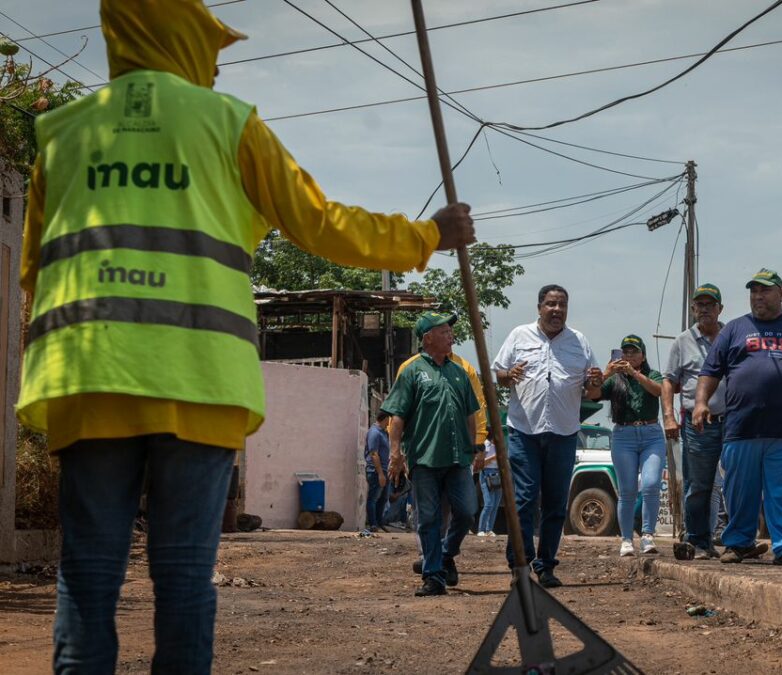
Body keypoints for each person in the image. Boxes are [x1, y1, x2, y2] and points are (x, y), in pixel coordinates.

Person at [16, 2, 475, 671]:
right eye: (210, 45)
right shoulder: (228, 124)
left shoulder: (62, 131)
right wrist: (427, 235)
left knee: (87, 573)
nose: (217, 64)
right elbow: (320, 223)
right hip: (197, 383)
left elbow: (34, 269)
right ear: (181, 36)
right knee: (182, 574)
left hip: (90, 383)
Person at [694, 269, 782, 567]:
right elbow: (710, 371)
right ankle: (738, 543)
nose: (758, 296)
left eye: (765, 290)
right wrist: (700, 403)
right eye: (753, 291)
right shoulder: (734, 330)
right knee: (739, 491)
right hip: (742, 428)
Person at [492, 284, 603, 588]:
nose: (557, 310)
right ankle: (520, 565)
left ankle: (546, 565)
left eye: (562, 305)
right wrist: (509, 375)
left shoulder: (579, 342)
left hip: (563, 433)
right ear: (539, 307)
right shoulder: (519, 335)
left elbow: (593, 392)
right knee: (524, 499)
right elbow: (499, 375)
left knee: (555, 503)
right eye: (551, 304)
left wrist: (596, 382)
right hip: (524, 431)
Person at [384, 312, 481, 596]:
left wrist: (474, 447)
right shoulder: (412, 371)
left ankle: (446, 554)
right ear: (427, 338)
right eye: (444, 331)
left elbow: (470, 414)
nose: (451, 336)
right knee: (428, 518)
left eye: (451, 331)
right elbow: (398, 416)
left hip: (458, 458)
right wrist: (395, 453)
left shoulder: (459, 372)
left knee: (467, 511)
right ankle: (433, 576)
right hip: (424, 458)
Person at [661, 283, 728, 559]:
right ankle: (699, 542)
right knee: (698, 486)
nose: (705, 309)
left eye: (710, 305)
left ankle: (737, 540)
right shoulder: (682, 341)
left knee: (738, 481)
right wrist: (668, 416)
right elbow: (668, 381)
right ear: (692, 309)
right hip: (698, 424)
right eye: (700, 305)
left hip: (733, 420)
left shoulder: (731, 336)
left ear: (720, 309)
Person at [594, 335, 665, 557]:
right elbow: (592, 394)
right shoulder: (614, 380)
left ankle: (647, 535)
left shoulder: (652, 374)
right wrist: (606, 373)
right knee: (627, 491)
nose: (629, 355)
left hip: (651, 434)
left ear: (643, 356)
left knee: (651, 484)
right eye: (625, 351)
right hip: (623, 435)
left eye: (634, 351)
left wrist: (634, 373)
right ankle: (626, 539)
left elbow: (658, 390)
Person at [364, 411, 391, 532]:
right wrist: (380, 473)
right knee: (373, 498)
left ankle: (380, 522)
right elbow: (374, 454)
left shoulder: (384, 433)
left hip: (385, 469)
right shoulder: (374, 432)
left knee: (383, 498)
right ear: (385, 418)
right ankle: (373, 524)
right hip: (375, 470)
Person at [476, 439, 502, 537]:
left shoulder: (500, 445)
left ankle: (489, 529)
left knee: (495, 505)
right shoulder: (486, 445)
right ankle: (481, 529)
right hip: (486, 475)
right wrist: (495, 457)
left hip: (498, 474)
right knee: (489, 504)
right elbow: (481, 463)